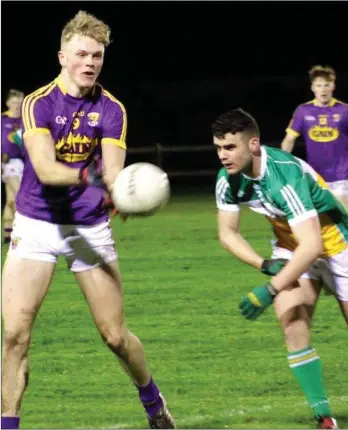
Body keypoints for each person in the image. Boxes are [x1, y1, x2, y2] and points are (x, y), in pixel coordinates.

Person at [1, 11, 175, 430]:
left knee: (114, 336)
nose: (90, 63)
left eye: (97, 56)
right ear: (62, 56)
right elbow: (43, 168)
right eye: (81, 54)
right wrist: (91, 177)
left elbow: (113, 170)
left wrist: (121, 192)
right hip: (37, 225)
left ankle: (153, 401)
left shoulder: (111, 108)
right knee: (14, 336)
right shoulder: (38, 103)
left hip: (86, 231)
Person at [213, 108, 348, 430]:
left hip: (336, 243)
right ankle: (324, 417)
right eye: (218, 148)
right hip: (291, 245)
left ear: (254, 144)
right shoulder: (228, 180)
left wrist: (270, 290)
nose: (223, 156)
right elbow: (227, 233)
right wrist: (264, 264)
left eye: (230, 147)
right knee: (292, 322)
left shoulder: (283, 175)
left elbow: (313, 245)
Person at [281, 65, 348, 211]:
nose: (323, 89)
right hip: (315, 175)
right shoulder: (303, 111)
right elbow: (289, 139)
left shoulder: (344, 110)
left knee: (343, 214)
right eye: (319, 85)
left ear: (333, 86)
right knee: (319, 218)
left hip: (342, 174)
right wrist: (282, 163)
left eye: (326, 85)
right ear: (313, 88)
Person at [1, 89, 25, 244]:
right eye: (14, 102)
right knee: (19, 197)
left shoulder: (25, 119)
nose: (17, 105)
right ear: (8, 102)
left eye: (19, 102)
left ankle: (7, 236)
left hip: (24, 163)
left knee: (11, 200)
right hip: (8, 163)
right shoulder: (3, 119)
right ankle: (22, 235)